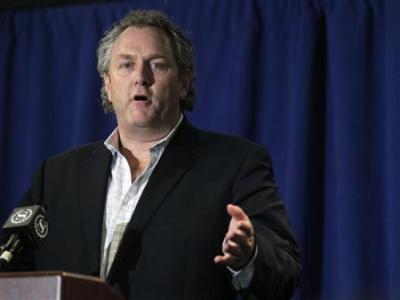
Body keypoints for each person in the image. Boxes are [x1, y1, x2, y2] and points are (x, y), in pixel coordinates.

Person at [3, 9, 301, 300]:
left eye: (157, 65)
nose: (140, 78)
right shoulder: (56, 176)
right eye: (126, 65)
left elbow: (284, 273)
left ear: (183, 83)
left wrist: (248, 257)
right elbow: (12, 272)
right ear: (107, 85)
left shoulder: (236, 164)